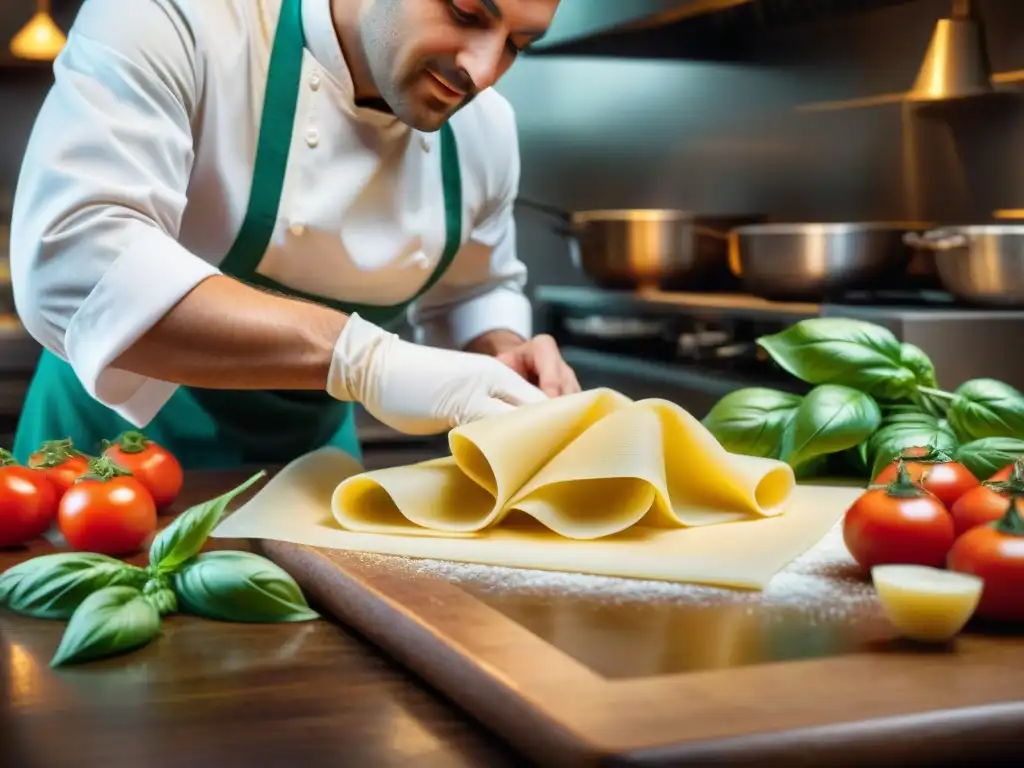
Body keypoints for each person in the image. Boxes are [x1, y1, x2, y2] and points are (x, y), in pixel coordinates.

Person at [9, 0, 581, 470]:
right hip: (104, 466)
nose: (482, 72)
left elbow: (472, 289)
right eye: (465, 12)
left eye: (517, 46)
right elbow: (76, 262)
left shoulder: (487, 129)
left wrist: (503, 355)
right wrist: (365, 362)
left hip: (311, 477)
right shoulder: (175, 17)